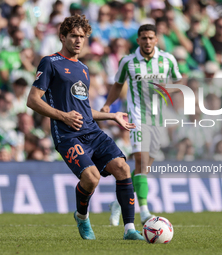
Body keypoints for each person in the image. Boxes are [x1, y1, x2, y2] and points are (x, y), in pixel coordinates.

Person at [26, 14, 143, 241]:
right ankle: (81, 216)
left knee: (123, 168)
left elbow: (84, 109)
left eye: (82, 36)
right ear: (62, 37)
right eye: (73, 36)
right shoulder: (50, 63)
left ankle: (129, 229)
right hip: (68, 135)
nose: (78, 40)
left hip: (92, 131)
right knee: (91, 178)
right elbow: (33, 100)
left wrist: (112, 115)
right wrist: (63, 116)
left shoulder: (83, 68)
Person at [101, 24, 182, 226]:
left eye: (151, 38)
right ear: (138, 40)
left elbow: (179, 83)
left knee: (144, 167)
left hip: (157, 119)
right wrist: (107, 104)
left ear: (156, 39)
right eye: (143, 38)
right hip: (136, 116)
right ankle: (144, 211)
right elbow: (118, 84)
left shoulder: (168, 60)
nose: (147, 41)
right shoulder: (128, 62)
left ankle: (119, 203)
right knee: (140, 159)